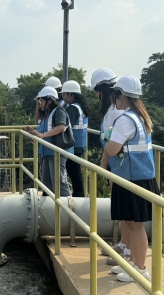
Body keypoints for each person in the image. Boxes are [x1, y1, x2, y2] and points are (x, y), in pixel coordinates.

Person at [103, 75, 159, 282]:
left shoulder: (126, 120)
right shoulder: (140, 117)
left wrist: (108, 137)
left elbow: (112, 148)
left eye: (115, 95)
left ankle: (140, 269)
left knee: (135, 226)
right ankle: (134, 265)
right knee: (132, 224)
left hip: (132, 180)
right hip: (138, 177)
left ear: (121, 96)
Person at [92, 68, 128, 265]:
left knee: (124, 207)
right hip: (115, 162)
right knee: (119, 204)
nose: (96, 96)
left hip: (118, 163)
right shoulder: (111, 110)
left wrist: (103, 165)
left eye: (97, 91)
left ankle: (127, 249)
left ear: (102, 90)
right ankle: (123, 244)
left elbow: (111, 141)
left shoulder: (116, 112)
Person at [25, 86, 73, 197]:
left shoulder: (58, 111)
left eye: (41, 101)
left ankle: (68, 208)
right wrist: (33, 132)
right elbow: (45, 131)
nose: (39, 103)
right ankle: (52, 209)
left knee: (59, 182)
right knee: (46, 182)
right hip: (46, 152)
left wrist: (42, 135)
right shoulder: (46, 114)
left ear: (49, 101)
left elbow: (61, 127)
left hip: (55, 152)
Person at [61, 80, 90, 197]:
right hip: (81, 144)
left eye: (64, 94)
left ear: (71, 95)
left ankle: (79, 196)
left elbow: (67, 127)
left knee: (73, 173)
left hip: (73, 146)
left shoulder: (72, 109)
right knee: (76, 173)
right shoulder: (80, 107)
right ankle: (80, 195)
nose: (62, 96)